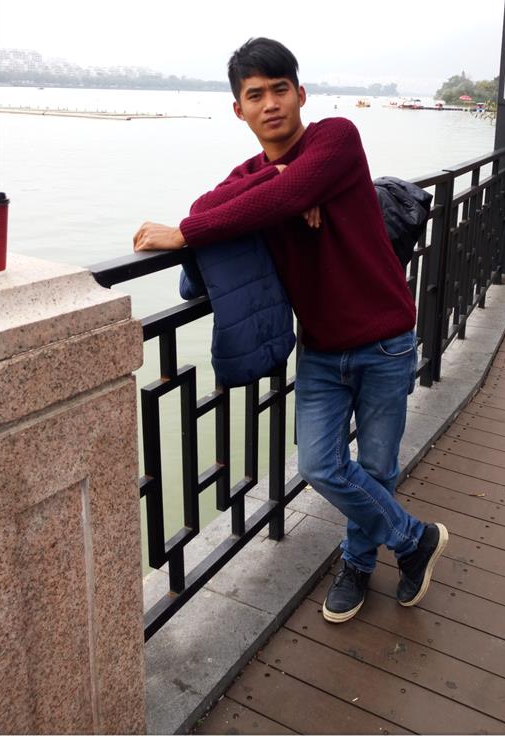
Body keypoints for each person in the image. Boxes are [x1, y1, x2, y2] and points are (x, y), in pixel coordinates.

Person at [133, 37, 448, 624]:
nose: (271, 103)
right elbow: (207, 207)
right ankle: (415, 540)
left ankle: (357, 564)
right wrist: (274, 185)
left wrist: (286, 191)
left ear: (301, 94)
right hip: (322, 349)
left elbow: (231, 212)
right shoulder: (256, 173)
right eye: (255, 95)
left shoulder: (336, 139)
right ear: (239, 110)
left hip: (384, 340)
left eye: (280, 89)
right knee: (320, 466)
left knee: (376, 469)